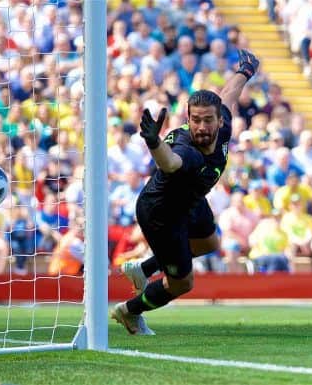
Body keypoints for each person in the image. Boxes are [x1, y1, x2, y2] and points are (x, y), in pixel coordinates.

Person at [111, 50, 260, 335]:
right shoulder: (186, 150)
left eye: (208, 120)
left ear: (220, 121)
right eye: (196, 120)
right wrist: (154, 142)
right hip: (162, 213)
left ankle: (142, 269)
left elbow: (228, 94)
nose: (202, 127)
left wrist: (246, 71)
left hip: (189, 200)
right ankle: (129, 311)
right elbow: (170, 162)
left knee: (208, 244)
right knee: (182, 283)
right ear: (188, 120)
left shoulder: (223, 125)